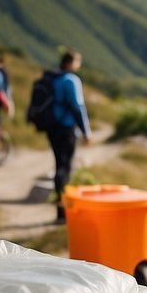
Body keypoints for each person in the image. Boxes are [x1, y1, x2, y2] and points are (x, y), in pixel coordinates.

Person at [47, 49, 92, 222]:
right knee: (65, 168)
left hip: (52, 128)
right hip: (66, 129)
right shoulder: (71, 80)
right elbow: (77, 107)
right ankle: (63, 211)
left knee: (59, 164)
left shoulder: (54, 78)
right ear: (71, 62)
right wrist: (86, 131)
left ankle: (60, 209)